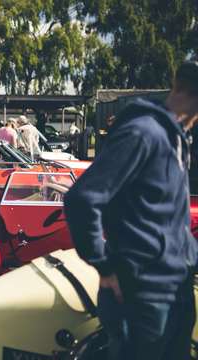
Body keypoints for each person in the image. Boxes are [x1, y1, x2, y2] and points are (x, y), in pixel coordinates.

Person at [64, 61, 198, 360]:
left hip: (174, 287)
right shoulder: (143, 132)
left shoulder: (175, 138)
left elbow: (164, 217)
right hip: (143, 293)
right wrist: (104, 264)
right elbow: (82, 199)